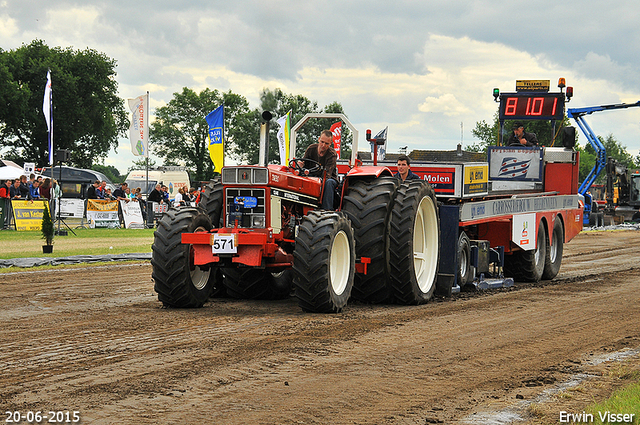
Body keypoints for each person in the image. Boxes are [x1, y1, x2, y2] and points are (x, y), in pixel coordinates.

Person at [300, 130, 338, 210]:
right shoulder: (311, 149)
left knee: (328, 183)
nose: (323, 145)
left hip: (328, 178)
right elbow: (304, 163)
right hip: (311, 175)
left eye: (326, 143)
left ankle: (326, 210)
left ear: (330, 143)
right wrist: (301, 166)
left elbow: (327, 173)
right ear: (319, 139)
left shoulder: (332, 154)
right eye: (322, 142)